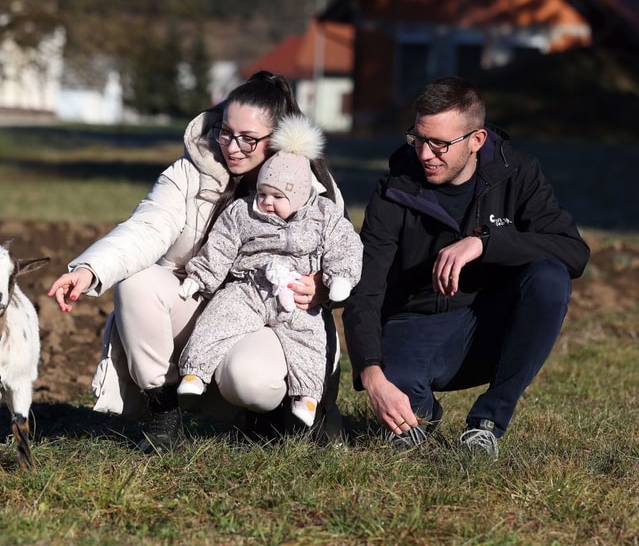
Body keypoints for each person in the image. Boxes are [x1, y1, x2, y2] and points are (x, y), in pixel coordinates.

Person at [47, 71, 347, 453]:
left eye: (248, 139)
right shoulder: (190, 172)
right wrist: (90, 269)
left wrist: (322, 287)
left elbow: (344, 258)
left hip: (273, 317)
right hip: (197, 298)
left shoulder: (316, 190)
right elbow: (147, 227)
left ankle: (268, 417)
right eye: (225, 131)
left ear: (278, 140)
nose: (232, 147)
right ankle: (165, 415)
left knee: (250, 378)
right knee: (138, 282)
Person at [343, 76, 590, 458]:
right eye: (418, 139)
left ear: (477, 141)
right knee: (400, 393)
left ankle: (487, 423)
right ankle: (423, 412)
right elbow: (366, 288)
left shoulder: (518, 172)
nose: (425, 154)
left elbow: (574, 252)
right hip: (416, 324)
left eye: (439, 144)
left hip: (491, 323)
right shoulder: (394, 191)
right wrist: (370, 374)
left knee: (548, 278)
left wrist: (485, 243)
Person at [176, 113, 363, 427]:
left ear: (301, 196)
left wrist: (339, 278)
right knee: (219, 317)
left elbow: (346, 245)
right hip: (250, 287)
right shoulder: (243, 211)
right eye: (263, 193)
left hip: (294, 294)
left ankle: (307, 397)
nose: (266, 202)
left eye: (278, 197)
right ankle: (195, 374)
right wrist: (201, 276)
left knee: (309, 341)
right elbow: (221, 244)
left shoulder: (322, 214)